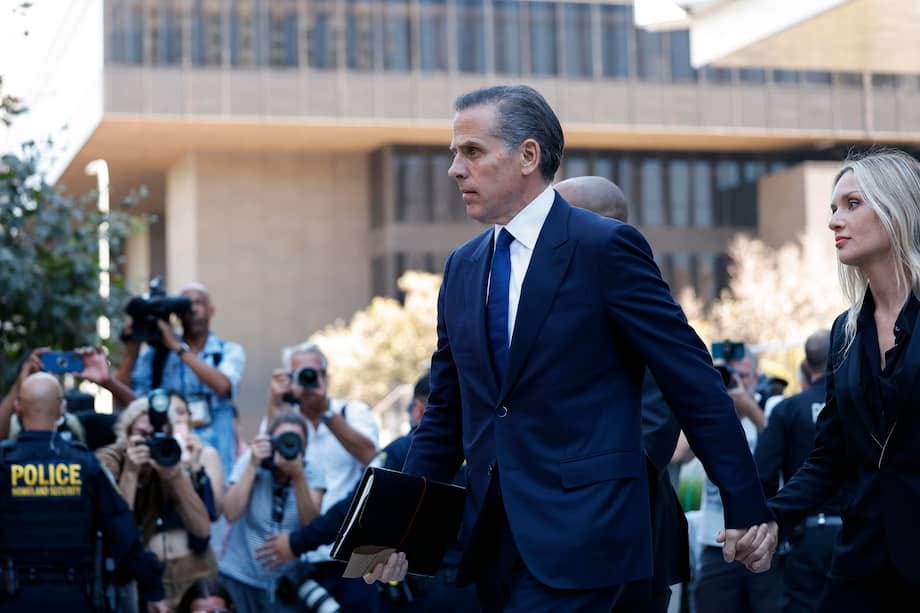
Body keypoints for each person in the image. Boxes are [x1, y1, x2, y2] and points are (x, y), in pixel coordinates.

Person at [365, 85, 776, 610]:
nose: (454, 169)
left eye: (472, 151)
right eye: (454, 153)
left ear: (528, 156)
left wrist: (746, 503)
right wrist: (403, 524)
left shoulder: (603, 247)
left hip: (588, 532)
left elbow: (690, 378)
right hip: (491, 541)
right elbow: (447, 411)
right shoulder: (462, 267)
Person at [768, 148, 920, 611]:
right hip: (861, 562)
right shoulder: (845, 331)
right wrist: (766, 517)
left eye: (852, 204)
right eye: (833, 208)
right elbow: (829, 456)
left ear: (898, 209)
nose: (835, 220)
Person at [555, 175, 690, 612]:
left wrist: (597, 490)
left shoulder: (641, 297)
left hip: (624, 523)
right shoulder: (554, 298)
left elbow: (657, 416)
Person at [0, 373, 167, 612]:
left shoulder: (4, 464)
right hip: (74, 597)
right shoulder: (86, 465)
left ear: (17, 408)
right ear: (63, 409)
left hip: (14, 598)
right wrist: (153, 589)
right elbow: (124, 533)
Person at [268, 341, 379, 610]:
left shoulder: (352, 411)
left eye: (313, 372)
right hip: (301, 556)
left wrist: (325, 412)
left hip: (353, 555)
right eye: (300, 374)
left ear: (326, 377)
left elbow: (372, 457)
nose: (308, 380)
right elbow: (266, 466)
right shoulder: (285, 420)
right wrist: (274, 403)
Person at [96, 393, 215, 608]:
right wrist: (131, 472)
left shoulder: (167, 460)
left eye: (158, 435)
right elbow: (116, 535)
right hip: (119, 574)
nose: (151, 443)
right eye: (142, 434)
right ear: (126, 434)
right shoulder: (110, 460)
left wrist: (175, 475)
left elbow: (202, 530)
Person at [118, 282, 246, 481]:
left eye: (199, 303)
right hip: (169, 459)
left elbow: (223, 385)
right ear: (177, 312)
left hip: (218, 456)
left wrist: (177, 346)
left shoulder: (227, 351)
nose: (193, 309)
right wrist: (130, 352)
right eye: (187, 304)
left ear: (212, 310)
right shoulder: (157, 356)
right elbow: (131, 403)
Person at [755, 329, 843, 613]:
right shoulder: (860, 404)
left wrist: (769, 523)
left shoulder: (787, 409)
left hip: (806, 537)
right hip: (858, 533)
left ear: (806, 366)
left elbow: (763, 476)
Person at [219, 413, 325, 613]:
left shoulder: (312, 472)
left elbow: (311, 524)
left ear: (306, 447)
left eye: (295, 440)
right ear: (270, 442)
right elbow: (230, 513)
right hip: (239, 577)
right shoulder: (252, 462)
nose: (288, 445)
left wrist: (298, 475)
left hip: (284, 584)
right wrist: (252, 465)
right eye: (282, 439)